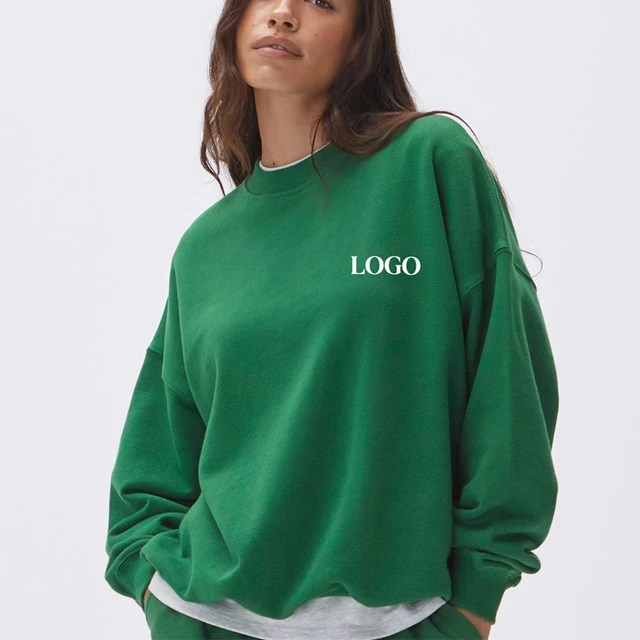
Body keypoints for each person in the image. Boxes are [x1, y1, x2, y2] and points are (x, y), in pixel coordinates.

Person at [104, 1, 560, 639]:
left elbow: (508, 381)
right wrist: (154, 586)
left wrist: (476, 598)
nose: (283, 13)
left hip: (400, 622)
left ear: (362, 37)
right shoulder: (205, 247)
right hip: (209, 620)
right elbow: (156, 454)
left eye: (322, 0)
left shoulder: (427, 164)